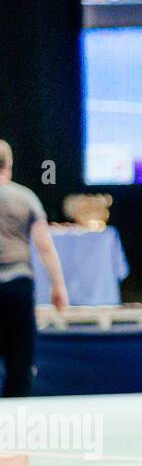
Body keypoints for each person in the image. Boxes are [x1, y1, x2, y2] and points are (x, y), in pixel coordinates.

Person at [0, 141, 67, 398]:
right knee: (20, 363)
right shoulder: (26, 198)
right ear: (9, 164)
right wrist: (58, 285)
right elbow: (45, 246)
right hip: (18, 284)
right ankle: (15, 427)